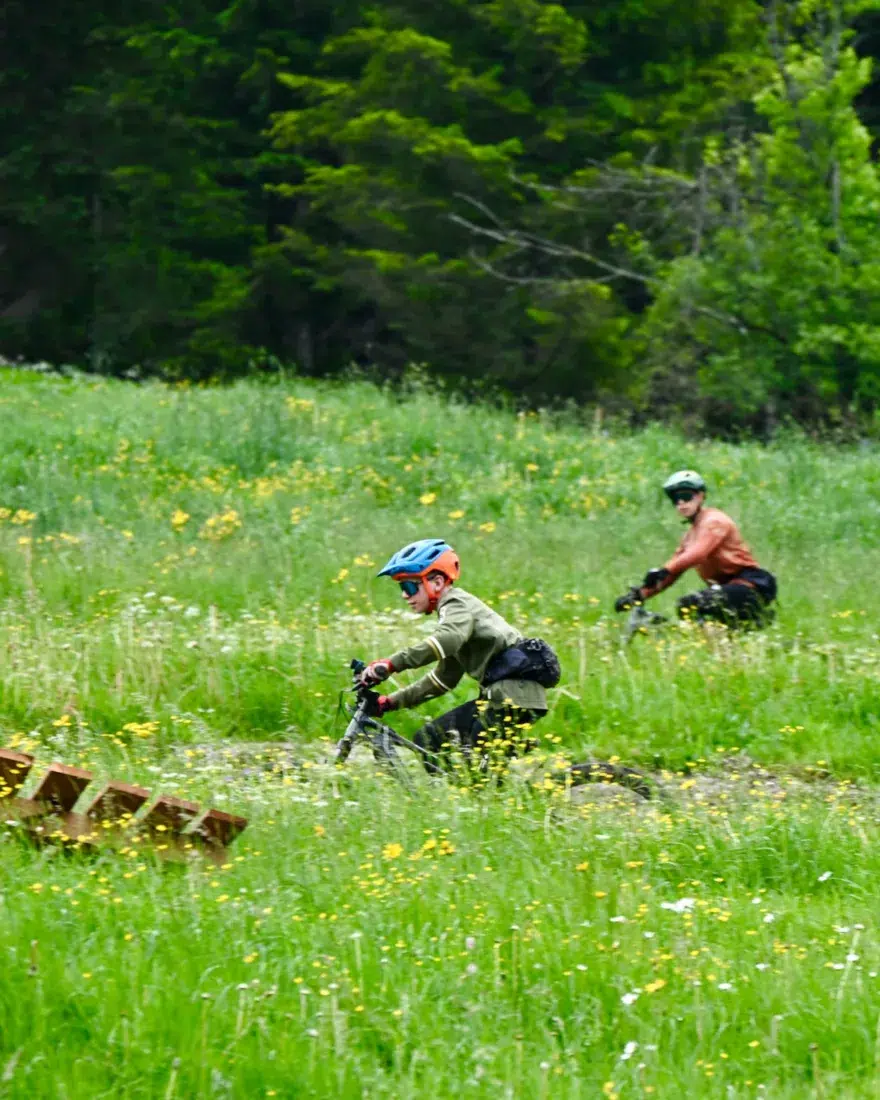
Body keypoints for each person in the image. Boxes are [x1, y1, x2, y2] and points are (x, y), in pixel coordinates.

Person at [360, 538, 556, 774]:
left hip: (513, 696)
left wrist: (391, 664)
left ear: (437, 582)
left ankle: (485, 802)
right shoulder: (454, 617)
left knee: (479, 773)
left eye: (409, 587)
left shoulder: (456, 604)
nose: (404, 595)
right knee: (428, 739)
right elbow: (442, 680)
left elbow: (445, 640)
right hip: (502, 697)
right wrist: (391, 702)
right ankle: (455, 800)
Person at [614, 470, 777, 627]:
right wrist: (640, 595)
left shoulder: (714, 521)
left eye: (686, 497)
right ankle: (725, 645)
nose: (681, 503)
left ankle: (754, 619)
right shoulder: (689, 536)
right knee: (690, 613)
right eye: (676, 500)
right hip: (727, 588)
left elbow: (697, 555)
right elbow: (673, 572)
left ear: (700, 496)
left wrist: (664, 569)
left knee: (690, 604)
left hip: (750, 586)